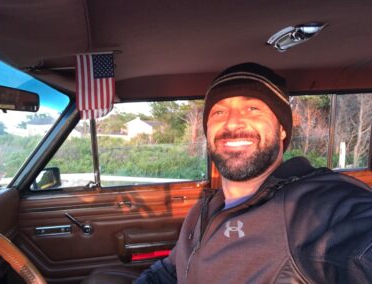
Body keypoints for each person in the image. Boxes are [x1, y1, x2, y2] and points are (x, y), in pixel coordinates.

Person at [135, 63, 372, 283]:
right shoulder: (203, 211)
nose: (232, 123)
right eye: (218, 112)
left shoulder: (316, 206)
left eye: (252, 108)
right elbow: (170, 270)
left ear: (281, 129)